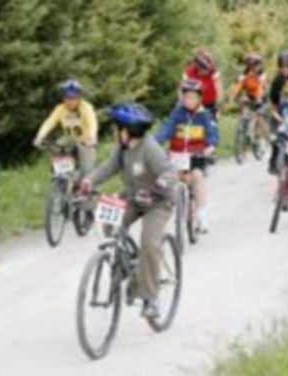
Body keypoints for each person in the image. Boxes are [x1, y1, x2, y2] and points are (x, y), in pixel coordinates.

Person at [79, 103, 177, 319]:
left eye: (116, 129)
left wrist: (158, 186)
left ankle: (151, 299)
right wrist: (88, 181)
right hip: (133, 197)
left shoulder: (150, 149)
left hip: (157, 202)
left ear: (128, 131)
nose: (114, 133)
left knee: (149, 244)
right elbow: (108, 168)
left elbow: (170, 172)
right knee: (109, 224)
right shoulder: (122, 149)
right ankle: (130, 266)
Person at [155, 79, 218, 233]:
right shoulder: (177, 113)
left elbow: (212, 134)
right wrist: (154, 143)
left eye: (192, 97)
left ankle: (202, 215)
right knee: (172, 179)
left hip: (197, 155)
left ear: (199, 99)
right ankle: (168, 211)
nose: (189, 100)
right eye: (186, 97)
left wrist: (210, 147)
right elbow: (166, 130)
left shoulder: (205, 115)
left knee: (197, 176)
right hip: (177, 155)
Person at [32, 79, 99, 177]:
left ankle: (88, 182)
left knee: (87, 172)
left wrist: (92, 137)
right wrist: (40, 136)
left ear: (79, 98)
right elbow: (49, 122)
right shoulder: (60, 109)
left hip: (86, 141)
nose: (69, 101)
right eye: (67, 97)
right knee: (57, 149)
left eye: (73, 98)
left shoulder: (86, 108)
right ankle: (59, 179)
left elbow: (92, 123)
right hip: (70, 139)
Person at [230, 52, 271, 148]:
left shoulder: (262, 74)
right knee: (242, 100)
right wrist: (233, 95)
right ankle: (243, 123)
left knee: (259, 116)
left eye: (256, 65)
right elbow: (238, 84)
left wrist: (259, 98)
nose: (253, 68)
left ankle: (259, 136)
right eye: (250, 66)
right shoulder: (245, 73)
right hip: (250, 95)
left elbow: (261, 87)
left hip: (261, 96)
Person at [183, 49, 223, 120]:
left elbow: (219, 91)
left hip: (209, 104)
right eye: (204, 69)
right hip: (193, 104)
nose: (206, 72)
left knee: (210, 124)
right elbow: (183, 90)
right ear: (198, 67)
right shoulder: (189, 72)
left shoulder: (213, 72)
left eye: (207, 69)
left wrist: (218, 108)